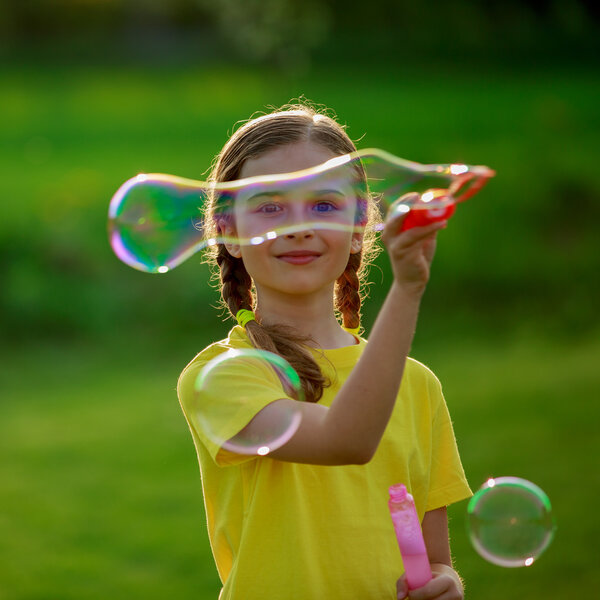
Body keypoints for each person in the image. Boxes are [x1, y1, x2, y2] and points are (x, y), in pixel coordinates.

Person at [177, 102, 471, 600]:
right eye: (269, 206)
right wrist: (408, 289)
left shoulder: (417, 385)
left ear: (360, 228)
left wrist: (446, 581)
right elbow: (346, 441)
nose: (298, 226)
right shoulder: (224, 375)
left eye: (324, 205)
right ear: (228, 232)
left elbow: (434, 556)